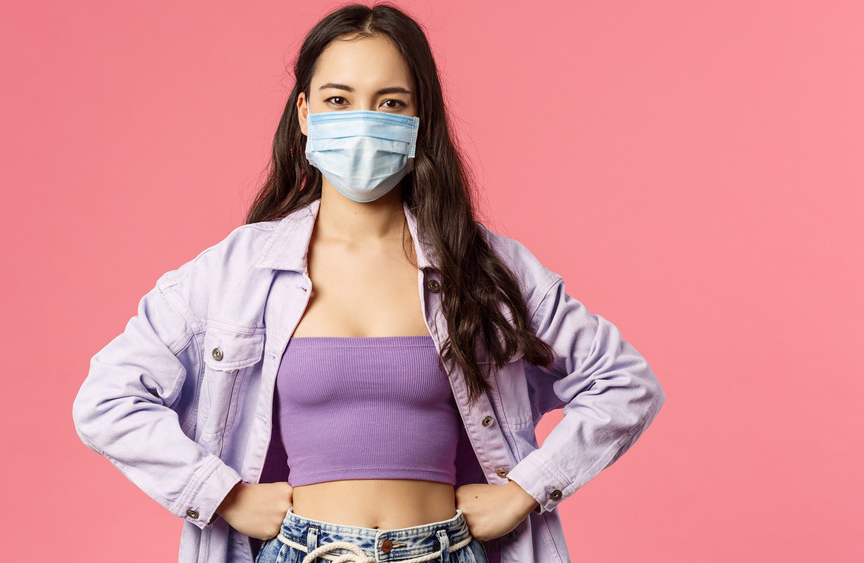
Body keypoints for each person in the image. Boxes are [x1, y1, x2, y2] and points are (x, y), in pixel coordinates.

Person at [72, 3, 665, 563]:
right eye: (338, 99)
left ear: (418, 119)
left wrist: (526, 490)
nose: (362, 122)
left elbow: (625, 384)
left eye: (389, 103)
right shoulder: (236, 272)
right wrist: (224, 496)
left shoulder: (484, 267)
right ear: (305, 115)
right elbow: (107, 400)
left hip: (445, 551)